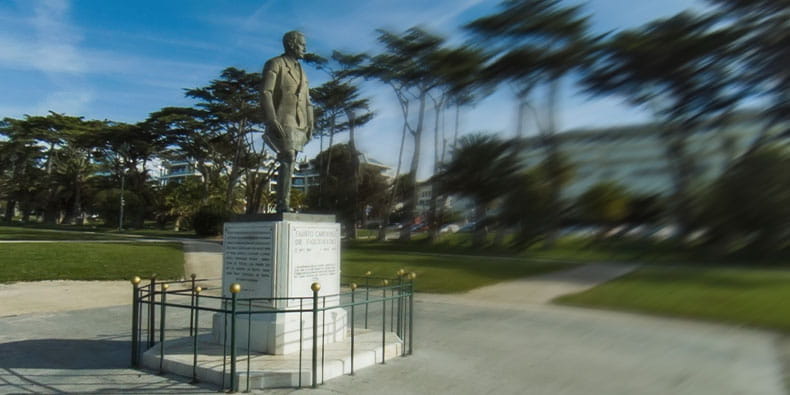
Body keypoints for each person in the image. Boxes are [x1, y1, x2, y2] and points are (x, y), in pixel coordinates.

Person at [261, 30, 314, 212]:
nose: (305, 48)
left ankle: (285, 203)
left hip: (300, 123)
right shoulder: (275, 64)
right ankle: (282, 205)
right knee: (288, 156)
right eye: (302, 44)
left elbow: (308, 101)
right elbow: (266, 93)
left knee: (291, 160)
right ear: (291, 44)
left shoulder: (302, 72)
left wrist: (311, 124)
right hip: (282, 120)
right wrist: (271, 119)